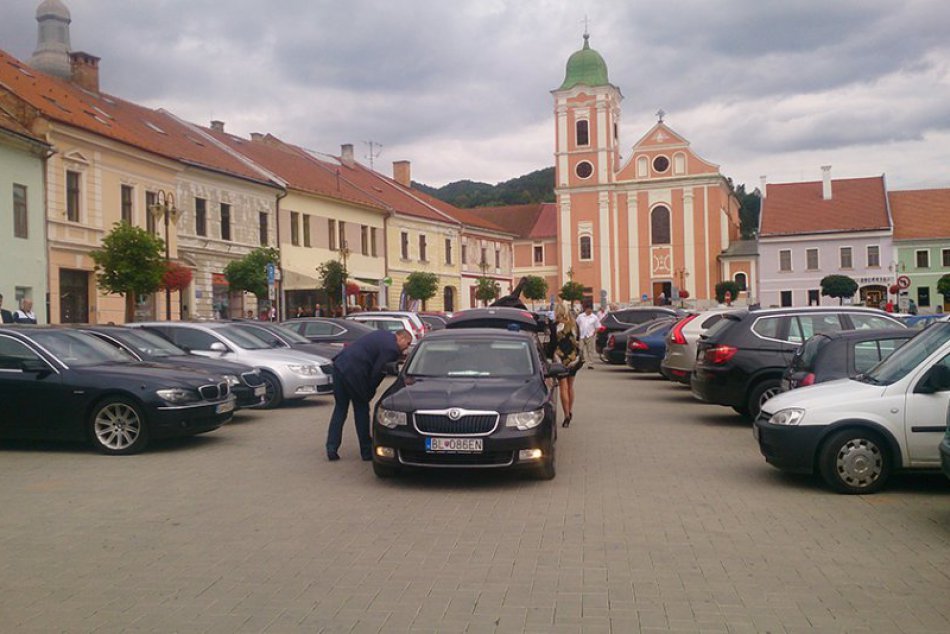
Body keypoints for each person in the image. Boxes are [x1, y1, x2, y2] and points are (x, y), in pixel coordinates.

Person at [326, 328, 413, 461]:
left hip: (339, 366)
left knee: (340, 408)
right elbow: (377, 372)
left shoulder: (382, 334)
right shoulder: (391, 349)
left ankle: (331, 448)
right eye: (407, 344)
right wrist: (369, 392)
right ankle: (366, 451)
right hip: (355, 373)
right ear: (400, 338)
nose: (405, 349)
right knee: (361, 409)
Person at [549, 303, 582, 427]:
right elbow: (577, 340)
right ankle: (570, 410)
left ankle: (566, 415)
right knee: (570, 386)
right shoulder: (574, 324)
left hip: (560, 358)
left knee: (563, 386)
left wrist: (549, 357)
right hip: (573, 357)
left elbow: (552, 344)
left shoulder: (554, 326)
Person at [575, 304, 601, 369]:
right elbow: (576, 324)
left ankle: (590, 364)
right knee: (580, 349)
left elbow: (598, 327)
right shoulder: (580, 316)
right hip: (582, 335)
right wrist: (577, 333)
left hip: (590, 335)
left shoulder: (594, 317)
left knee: (590, 350)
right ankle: (581, 361)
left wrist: (594, 333)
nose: (589, 311)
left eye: (591, 310)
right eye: (588, 309)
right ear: (585, 309)